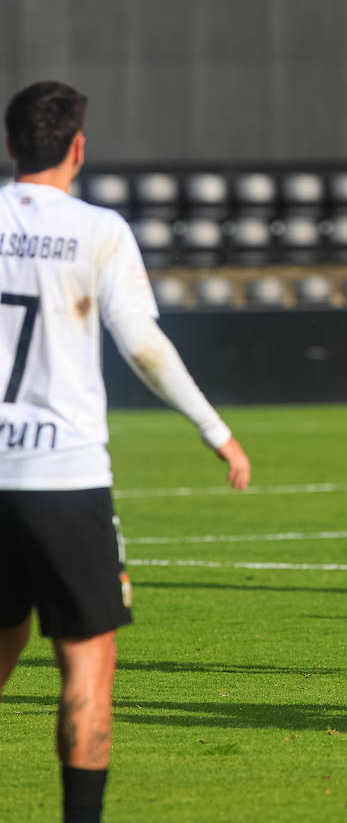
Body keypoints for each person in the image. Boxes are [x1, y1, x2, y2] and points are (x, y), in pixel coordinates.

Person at [0, 80, 252, 823]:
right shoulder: (98, 229)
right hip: (66, 479)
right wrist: (217, 430)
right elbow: (143, 345)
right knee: (86, 668)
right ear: (78, 148)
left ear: (12, 145)